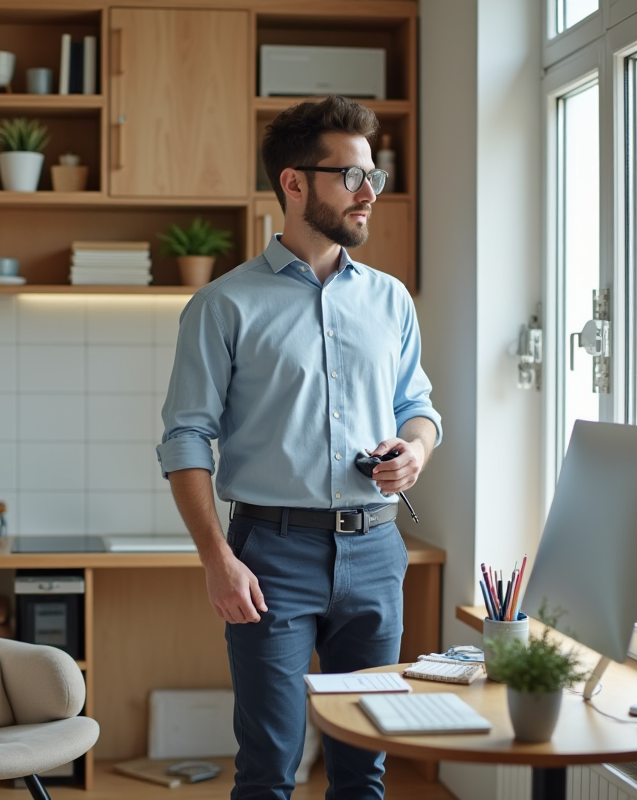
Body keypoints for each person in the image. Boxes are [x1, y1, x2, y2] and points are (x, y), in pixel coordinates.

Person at [155, 95, 442, 800]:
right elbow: (186, 437)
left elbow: (418, 407)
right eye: (349, 175)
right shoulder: (223, 305)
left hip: (376, 550)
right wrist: (216, 559)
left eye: (373, 174)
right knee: (268, 770)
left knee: (363, 766)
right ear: (293, 182)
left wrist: (415, 453)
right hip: (271, 556)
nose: (369, 192)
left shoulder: (391, 299)